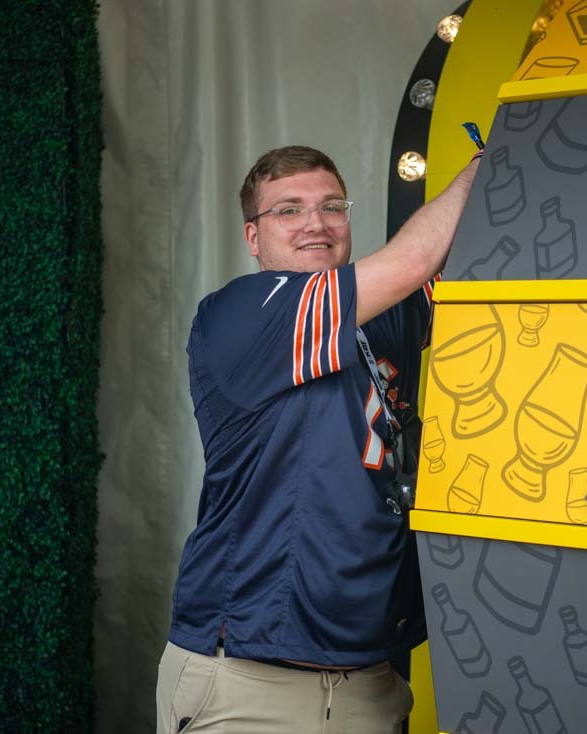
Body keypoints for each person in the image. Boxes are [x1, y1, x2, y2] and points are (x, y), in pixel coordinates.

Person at [156, 144, 481, 734]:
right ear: (253, 237)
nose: (316, 223)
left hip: (371, 682)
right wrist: (484, 164)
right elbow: (415, 258)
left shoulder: (381, 314)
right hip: (249, 683)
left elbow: (468, 253)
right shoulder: (242, 312)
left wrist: (521, 165)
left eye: (332, 206)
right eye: (288, 210)